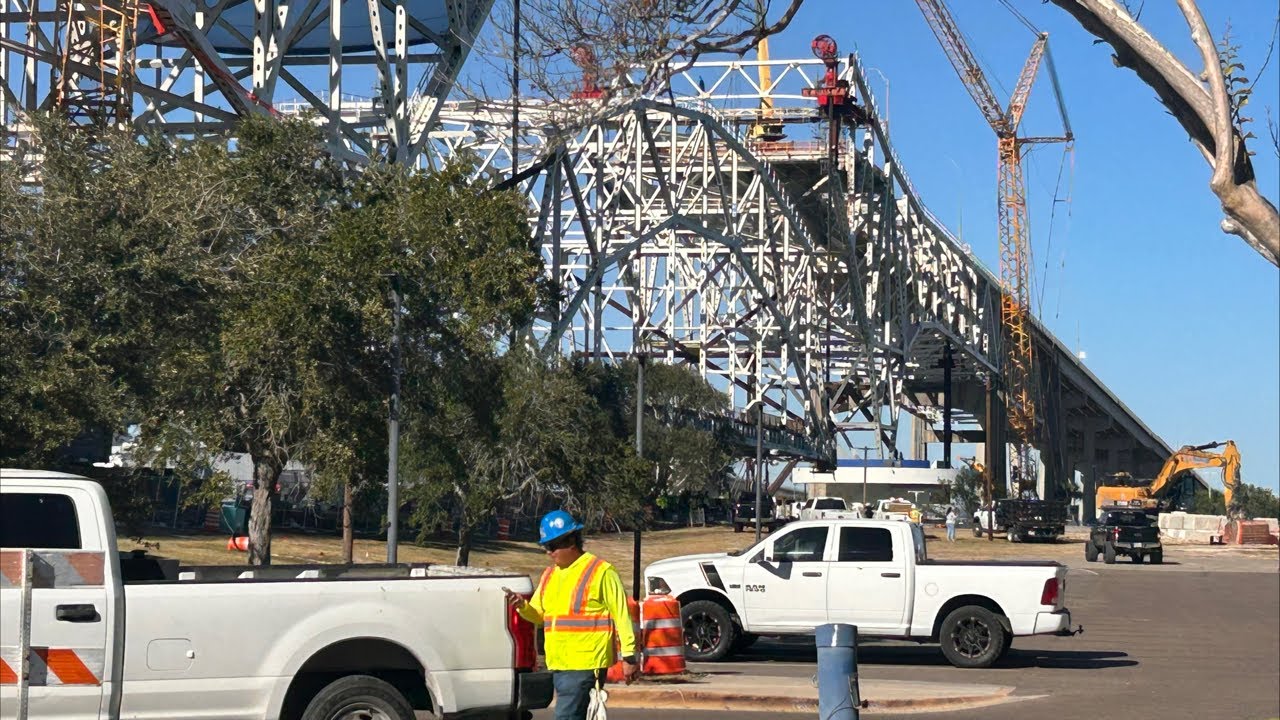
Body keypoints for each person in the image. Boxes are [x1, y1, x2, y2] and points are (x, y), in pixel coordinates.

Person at [506, 510, 640, 720]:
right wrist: (523, 606)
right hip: (560, 664)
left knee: (566, 716)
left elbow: (622, 616)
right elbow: (540, 616)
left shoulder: (600, 571)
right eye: (546, 547)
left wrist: (630, 656)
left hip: (586, 664)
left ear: (571, 541)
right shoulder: (550, 575)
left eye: (552, 546)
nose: (549, 553)